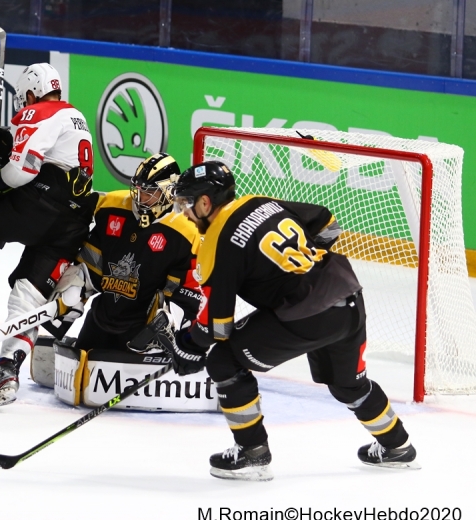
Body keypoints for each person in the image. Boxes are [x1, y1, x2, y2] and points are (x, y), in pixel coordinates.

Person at [156, 160, 418, 481]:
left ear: (206, 202)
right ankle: (397, 446)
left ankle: (252, 452)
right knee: (349, 385)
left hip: (307, 314)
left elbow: (217, 325)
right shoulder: (260, 202)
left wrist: (189, 347)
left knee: (224, 361)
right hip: (347, 294)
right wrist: (297, 269)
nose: (184, 212)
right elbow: (328, 223)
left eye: (187, 203)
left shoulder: (216, 242)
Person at [0, 63, 99, 410]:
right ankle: (7, 373)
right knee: (28, 296)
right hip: (73, 219)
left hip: (42, 203)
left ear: (31, 92)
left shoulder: (36, 110)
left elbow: (22, 170)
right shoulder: (76, 116)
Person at [54, 152, 201, 353]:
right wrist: (75, 290)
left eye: (149, 192)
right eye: (138, 190)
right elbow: (90, 263)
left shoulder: (185, 232)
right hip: (101, 318)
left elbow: (184, 294)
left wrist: (171, 321)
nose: (140, 198)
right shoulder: (112, 208)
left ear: (169, 192)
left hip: (142, 332)